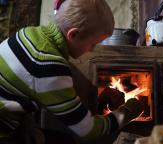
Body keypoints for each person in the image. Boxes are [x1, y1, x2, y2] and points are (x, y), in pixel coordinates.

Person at [0, 0, 143, 143]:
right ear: (73, 34)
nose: (92, 50)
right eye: (93, 44)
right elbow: (89, 131)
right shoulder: (48, 66)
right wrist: (131, 109)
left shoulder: (29, 33)